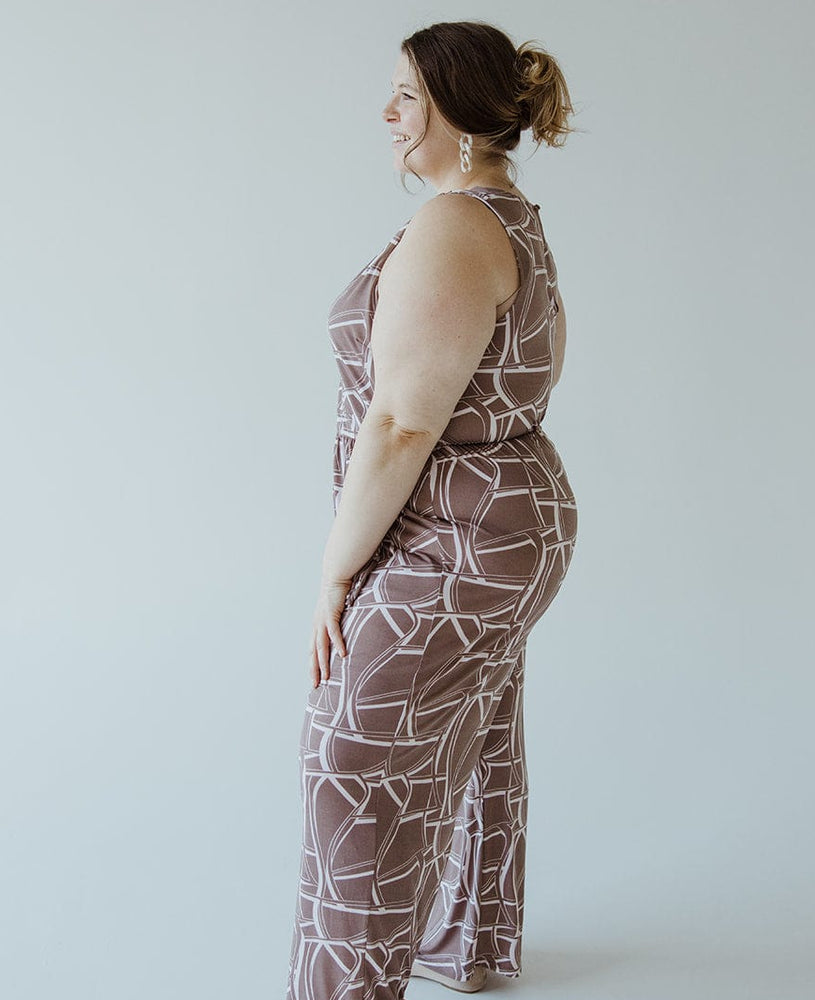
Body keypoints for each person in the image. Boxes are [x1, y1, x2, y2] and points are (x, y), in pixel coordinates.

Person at [283, 20, 578, 1000]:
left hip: (457, 537)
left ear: (455, 115)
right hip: (500, 525)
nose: (388, 113)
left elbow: (403, 424)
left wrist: (334, 568)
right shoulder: (507, 218)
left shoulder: (456, 226)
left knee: (351, 759)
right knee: (475, 725)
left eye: (405, 95)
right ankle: (474, 945)